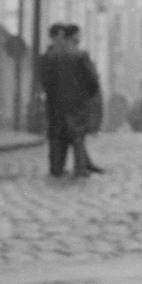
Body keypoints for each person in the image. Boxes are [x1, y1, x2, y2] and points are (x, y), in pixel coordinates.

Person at [38, 23, 103, 179]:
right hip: (77, 103)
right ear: (73, 36)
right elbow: (92, 80)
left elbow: (45, 81)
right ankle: (80, 169)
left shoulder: (51, 56)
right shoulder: (80, 55)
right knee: (77, 135)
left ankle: (56, 169)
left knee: (57, 137)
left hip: (55, 104)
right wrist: (88, 95)